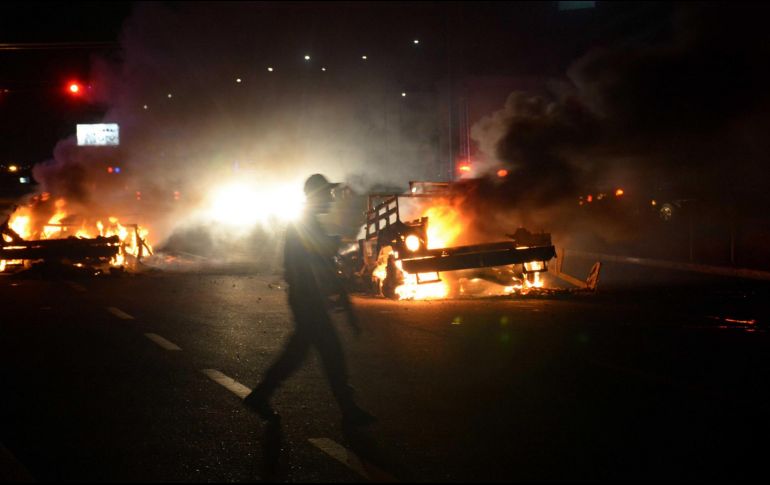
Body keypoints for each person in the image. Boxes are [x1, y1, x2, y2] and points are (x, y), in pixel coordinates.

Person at [244, 173, 376, 426]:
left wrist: (345, 304)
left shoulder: (307, 222)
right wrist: (335, 243)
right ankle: (348, 411)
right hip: (307, 299)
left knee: (299, 353)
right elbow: (321, 254)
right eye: (327, 194)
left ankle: (261, 395)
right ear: (316, 196)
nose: (331, 198)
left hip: (307, 298)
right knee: (330, 353)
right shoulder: (305, 223)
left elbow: (323, 263)